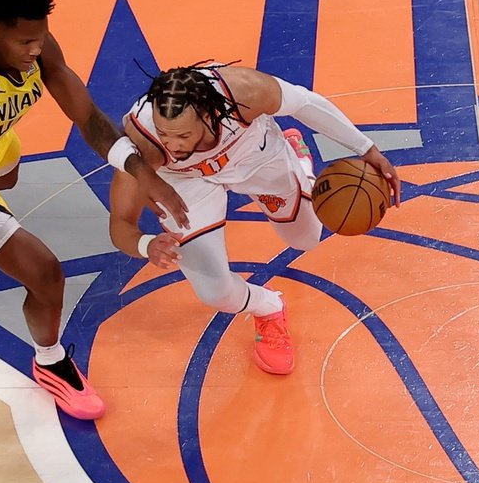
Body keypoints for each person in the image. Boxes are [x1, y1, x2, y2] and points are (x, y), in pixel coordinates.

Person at [0, 0, 186, 419]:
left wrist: (141, 172)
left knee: (10, 175)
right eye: (26, 42)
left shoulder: (37, 48)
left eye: (41, 38)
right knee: (45, 275)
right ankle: (50, 362)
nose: (36, 50)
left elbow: (87, 118)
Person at [106, 63, 400, 375]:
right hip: (184, 183)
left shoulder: (244, 92)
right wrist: (146, 244)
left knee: (305, 240)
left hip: (254, 157)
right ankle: (269, 308)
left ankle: (302, 168)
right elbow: (120, 223)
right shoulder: (145, 144)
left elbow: (304, 102)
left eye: (182, 135)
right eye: (164, 133)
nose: (172, 144)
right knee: (214, 292)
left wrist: (367, 149)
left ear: (208, 116)